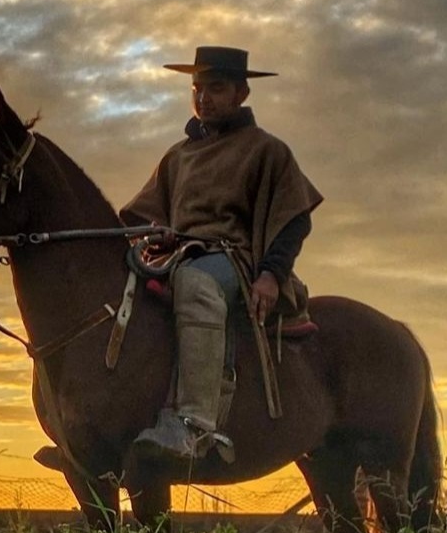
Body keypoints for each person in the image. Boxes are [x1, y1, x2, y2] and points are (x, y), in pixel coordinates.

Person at [120, 46, 323, 462]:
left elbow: (293, 220)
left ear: (241, 94)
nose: (203, 97)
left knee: (196, 285)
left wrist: (270, 275)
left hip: (233, 260)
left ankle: (193, 424)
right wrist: (145, 235)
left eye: (215, 87)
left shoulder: (267, 150)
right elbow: (141, 214)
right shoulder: (178, 155)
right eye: (197, 88)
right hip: (176, 256)